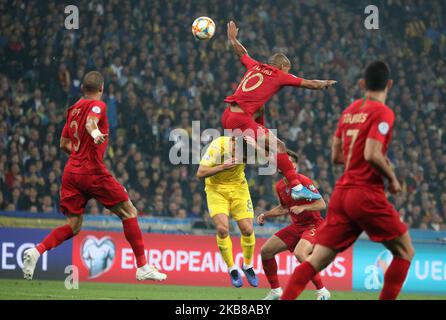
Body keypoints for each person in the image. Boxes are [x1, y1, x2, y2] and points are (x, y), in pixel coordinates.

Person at [281, 61, 415, 300]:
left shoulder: (349, 111)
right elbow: (372, 154)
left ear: (362, 84)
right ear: (390, 85)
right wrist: (392, 178)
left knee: (316, 260)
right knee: (404, 251)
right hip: (366, 194)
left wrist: (355, 164)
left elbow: (335, 156)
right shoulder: (383, 112)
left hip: (342, 194)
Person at [22, 71, 167, 282]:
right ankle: (142, 266)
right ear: (102, 89)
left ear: (82, 88)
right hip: (92, 171)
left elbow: (63, 144)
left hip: (71, 172)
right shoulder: (98, 106)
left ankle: (36, 251)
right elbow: (92, 122)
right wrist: (95, 133)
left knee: (73, 225)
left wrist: (80, 157)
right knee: (129, 212)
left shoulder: (73, 110)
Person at [222, 20, 337, 201]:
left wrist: (232, 39)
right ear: (283, 67)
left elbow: (242, 53)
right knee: (280, 146)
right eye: (288, 70)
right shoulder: (280, 75)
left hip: (228, 115)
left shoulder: (255, 66)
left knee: (268, 148)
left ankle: (270, 161)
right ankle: (296, 187)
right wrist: (325, 83)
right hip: (241, 120)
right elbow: (310, 83)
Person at [257, 150, 330, 300]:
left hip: (313, 225)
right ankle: (276, 291)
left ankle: (322, 291)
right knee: (266, 251)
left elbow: (321, 204)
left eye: (288, 162)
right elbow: (284, 208)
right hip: (297, 226)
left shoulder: (303, 180)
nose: (283, 164)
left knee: (300, 253)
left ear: (294, 166)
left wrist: (304, 207)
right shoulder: (279, 186)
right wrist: (266, 214)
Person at [196, 135, 258, 288]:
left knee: (248, 229)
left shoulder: (249, 147)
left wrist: (257, 147)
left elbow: (271, 155)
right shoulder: (218, 146)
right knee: (223, 230)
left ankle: (248, 265)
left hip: (239, 188)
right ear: (234, 145)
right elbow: (200, 173)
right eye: (240, 155)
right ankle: (232, 269)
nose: (241, 159)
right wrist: (222, 167)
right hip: (216, 190)